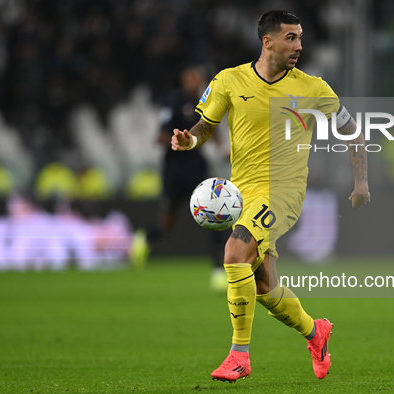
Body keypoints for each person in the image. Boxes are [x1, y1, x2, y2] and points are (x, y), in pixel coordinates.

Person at [171, 10, 370, 382]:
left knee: (234, 253)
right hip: (243, 193)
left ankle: (239, 356)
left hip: (284, 191)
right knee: (263, 287)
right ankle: (316, 332)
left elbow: (351, 130)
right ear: (268, 42)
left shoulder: (313, 88)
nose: (298, 45)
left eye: (299, 38)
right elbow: (204, 125)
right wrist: (190, 140)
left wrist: (361, 182)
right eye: (291, 38)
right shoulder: (230, 80)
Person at [131, 66, 228, 291]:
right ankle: (145, 239)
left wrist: (224, 149)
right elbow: (160, 136)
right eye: (190, 79)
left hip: (196, 167)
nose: (194, 83)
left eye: (197, 79)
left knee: (216, 215)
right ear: (183, 81)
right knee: (167, 223)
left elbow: (210, 128)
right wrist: (181, 141)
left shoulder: (206, 104)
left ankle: (218, 271)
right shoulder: (174, 103)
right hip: (175, 168)